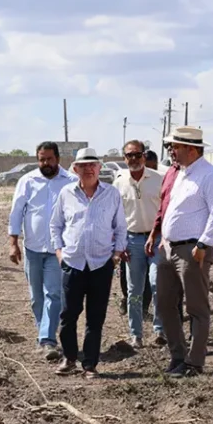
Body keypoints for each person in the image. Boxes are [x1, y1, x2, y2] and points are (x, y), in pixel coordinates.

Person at [148, 126, 213, 377]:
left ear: (192, 149)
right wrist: (163, 237)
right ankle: (178, 356)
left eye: (176, 147)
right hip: (169, 248)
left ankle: (194, 362)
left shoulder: (208, 175)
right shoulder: (179, 174)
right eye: (171, 146)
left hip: (193, 250)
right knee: (165, 304)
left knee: (196, 308)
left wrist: (203, 244)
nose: (171, 151)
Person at [51, 149, 128, 379]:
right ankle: (69, 358)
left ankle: (90, 365)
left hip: (101, 264)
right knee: (68, 315)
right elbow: (55, 225)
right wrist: (59, 252)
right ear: (75, 169)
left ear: (99, 167)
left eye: (92, 164)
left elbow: (121, 227)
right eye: (83, 165)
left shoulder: (111, 194)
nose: (88, 169)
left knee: (95, 317)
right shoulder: (66, 193)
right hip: (72, 263)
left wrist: (116, 255)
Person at [9, 142, 77, 360]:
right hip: (32, 248)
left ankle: (48, 340)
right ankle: (44, 333)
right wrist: (13, 242)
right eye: (41, 159)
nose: (45, 163)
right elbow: (16, 212)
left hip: (58, 250)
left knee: (54, 294)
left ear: (57, 159)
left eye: (48, 159)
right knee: (36, 298)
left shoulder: (70, 182)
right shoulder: (27, 181)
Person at [114, 140, 164, 348]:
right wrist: (120, 243)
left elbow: (167, 211)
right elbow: (115, 217)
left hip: (157, 238)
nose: (133, 159)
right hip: (132, 240)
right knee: (134, 290)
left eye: (137, 155)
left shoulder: (159, 179)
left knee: (157, 284)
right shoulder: (119, 182)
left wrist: (160, 235)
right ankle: (136, 335)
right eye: (129, 156)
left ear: (144, 156)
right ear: (124, 158)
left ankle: (160, 331)